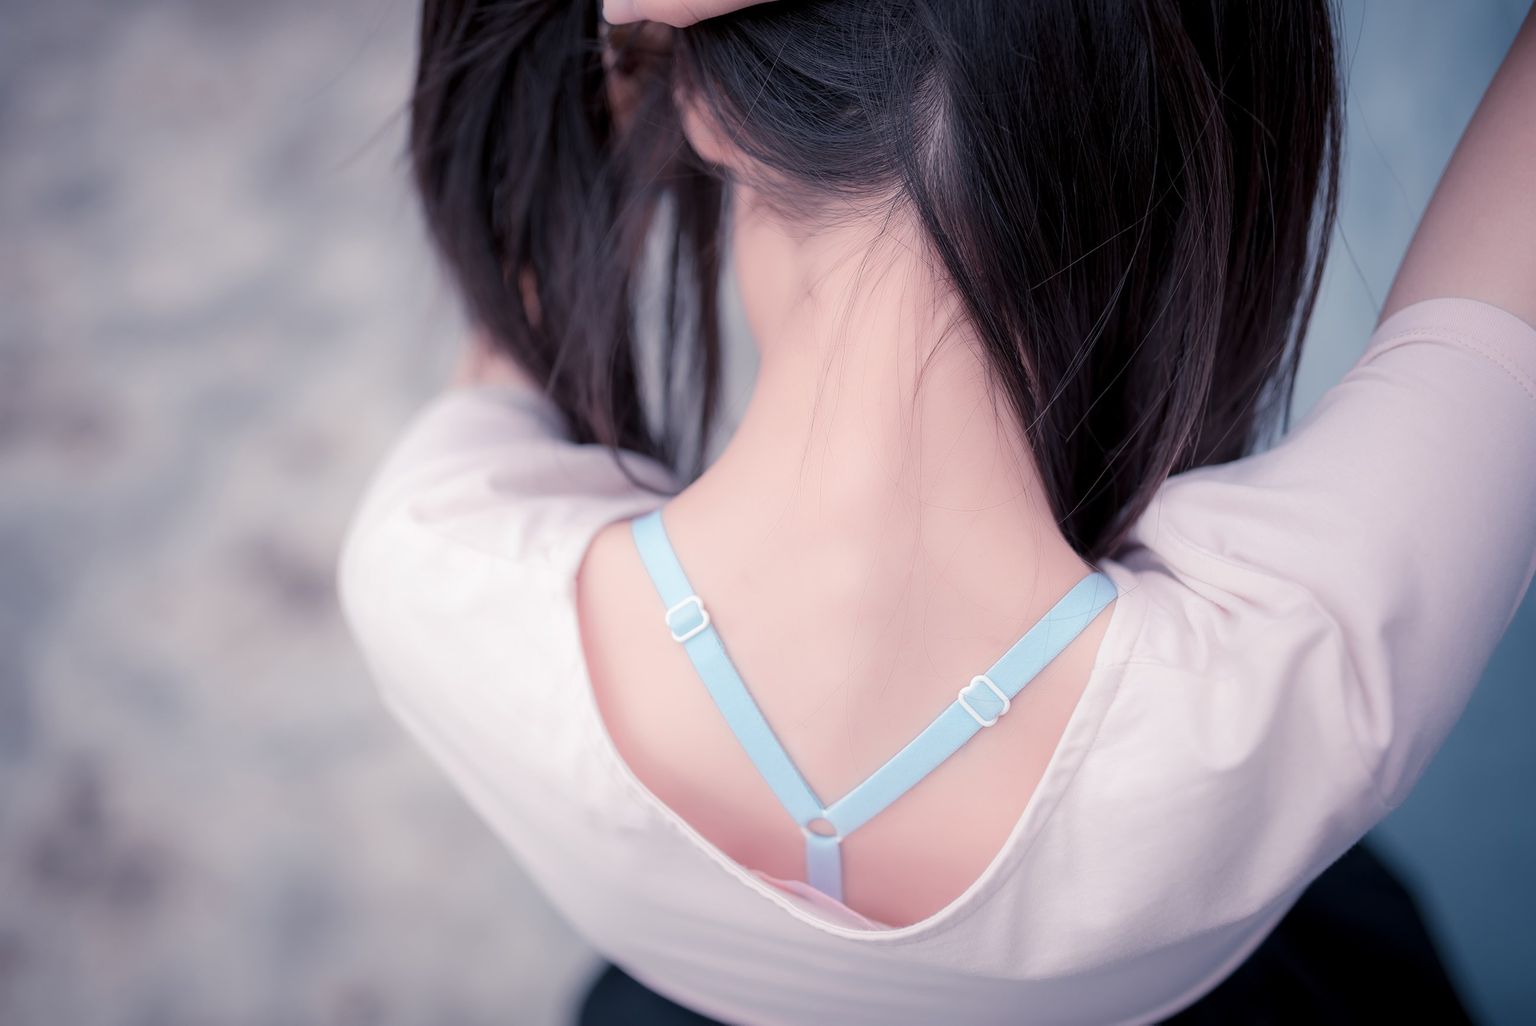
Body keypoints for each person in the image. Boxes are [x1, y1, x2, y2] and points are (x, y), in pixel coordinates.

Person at [336, 0, 1536, 1022]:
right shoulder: (1311, 690)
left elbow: (523, 305)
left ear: (690, 99)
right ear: (1199, 155)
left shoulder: (430, 573)